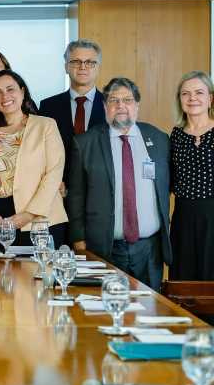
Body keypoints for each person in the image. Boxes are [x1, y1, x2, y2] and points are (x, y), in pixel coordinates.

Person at [67, 77, 171, 290]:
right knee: (106, 310)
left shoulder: (159, 138)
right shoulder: (85, 143)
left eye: (128, 100)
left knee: (150, 312)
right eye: (114, 100)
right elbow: (76, 196)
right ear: (105, 107)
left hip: (150, 248)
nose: (121, 105)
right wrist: (78, 241)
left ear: (137, 105)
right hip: (104, 248)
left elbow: (168, 185)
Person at [0, 70, 67, 249]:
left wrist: (28, 215)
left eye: (10, 89)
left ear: (22, 91)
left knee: (36, 276)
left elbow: (54, 173)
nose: (4, 96)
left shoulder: (46, 125)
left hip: (39, 220)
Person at [38, 39, 106, 195]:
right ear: (66, 67)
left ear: (98, 68)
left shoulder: (112, 106)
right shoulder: (48, 107)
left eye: (90, 62)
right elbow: (39, 152)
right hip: (58, 192)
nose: (83, 66)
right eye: (76, 61)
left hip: (101, 193)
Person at [169, 71, 214, 280]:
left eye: (199, 92)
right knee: (184, 278)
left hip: (212, 214)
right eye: (185, 93)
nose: (192, 98)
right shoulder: (175, 135)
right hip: (183, 216)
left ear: (210, 98)